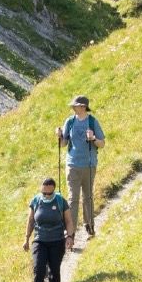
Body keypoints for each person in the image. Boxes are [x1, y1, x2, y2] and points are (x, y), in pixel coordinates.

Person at [57, 95, 105, 241]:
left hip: (89, 165)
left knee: (88, 196)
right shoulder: (70, 121)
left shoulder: (92, 121)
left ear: (83, 107)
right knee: (73, 199)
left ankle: (89, 225)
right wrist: (59, 136)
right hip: (72, 165)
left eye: (76, 105)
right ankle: (70, 233)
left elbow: (102, 143)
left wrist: (93, 139)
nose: (73, 107)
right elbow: (63, 144)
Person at [21, 175, 70, 282]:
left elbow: (69, 221)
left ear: (54, 191)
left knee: (54, 271)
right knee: (38, 270)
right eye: (44, 193)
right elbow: (30, 220)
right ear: (41, 190)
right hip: (39, 240)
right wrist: (26, 239)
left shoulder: (60, 201)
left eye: (50, 193)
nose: (47, 195)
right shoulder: (36, 201)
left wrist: (70, 237)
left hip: (57, 241)